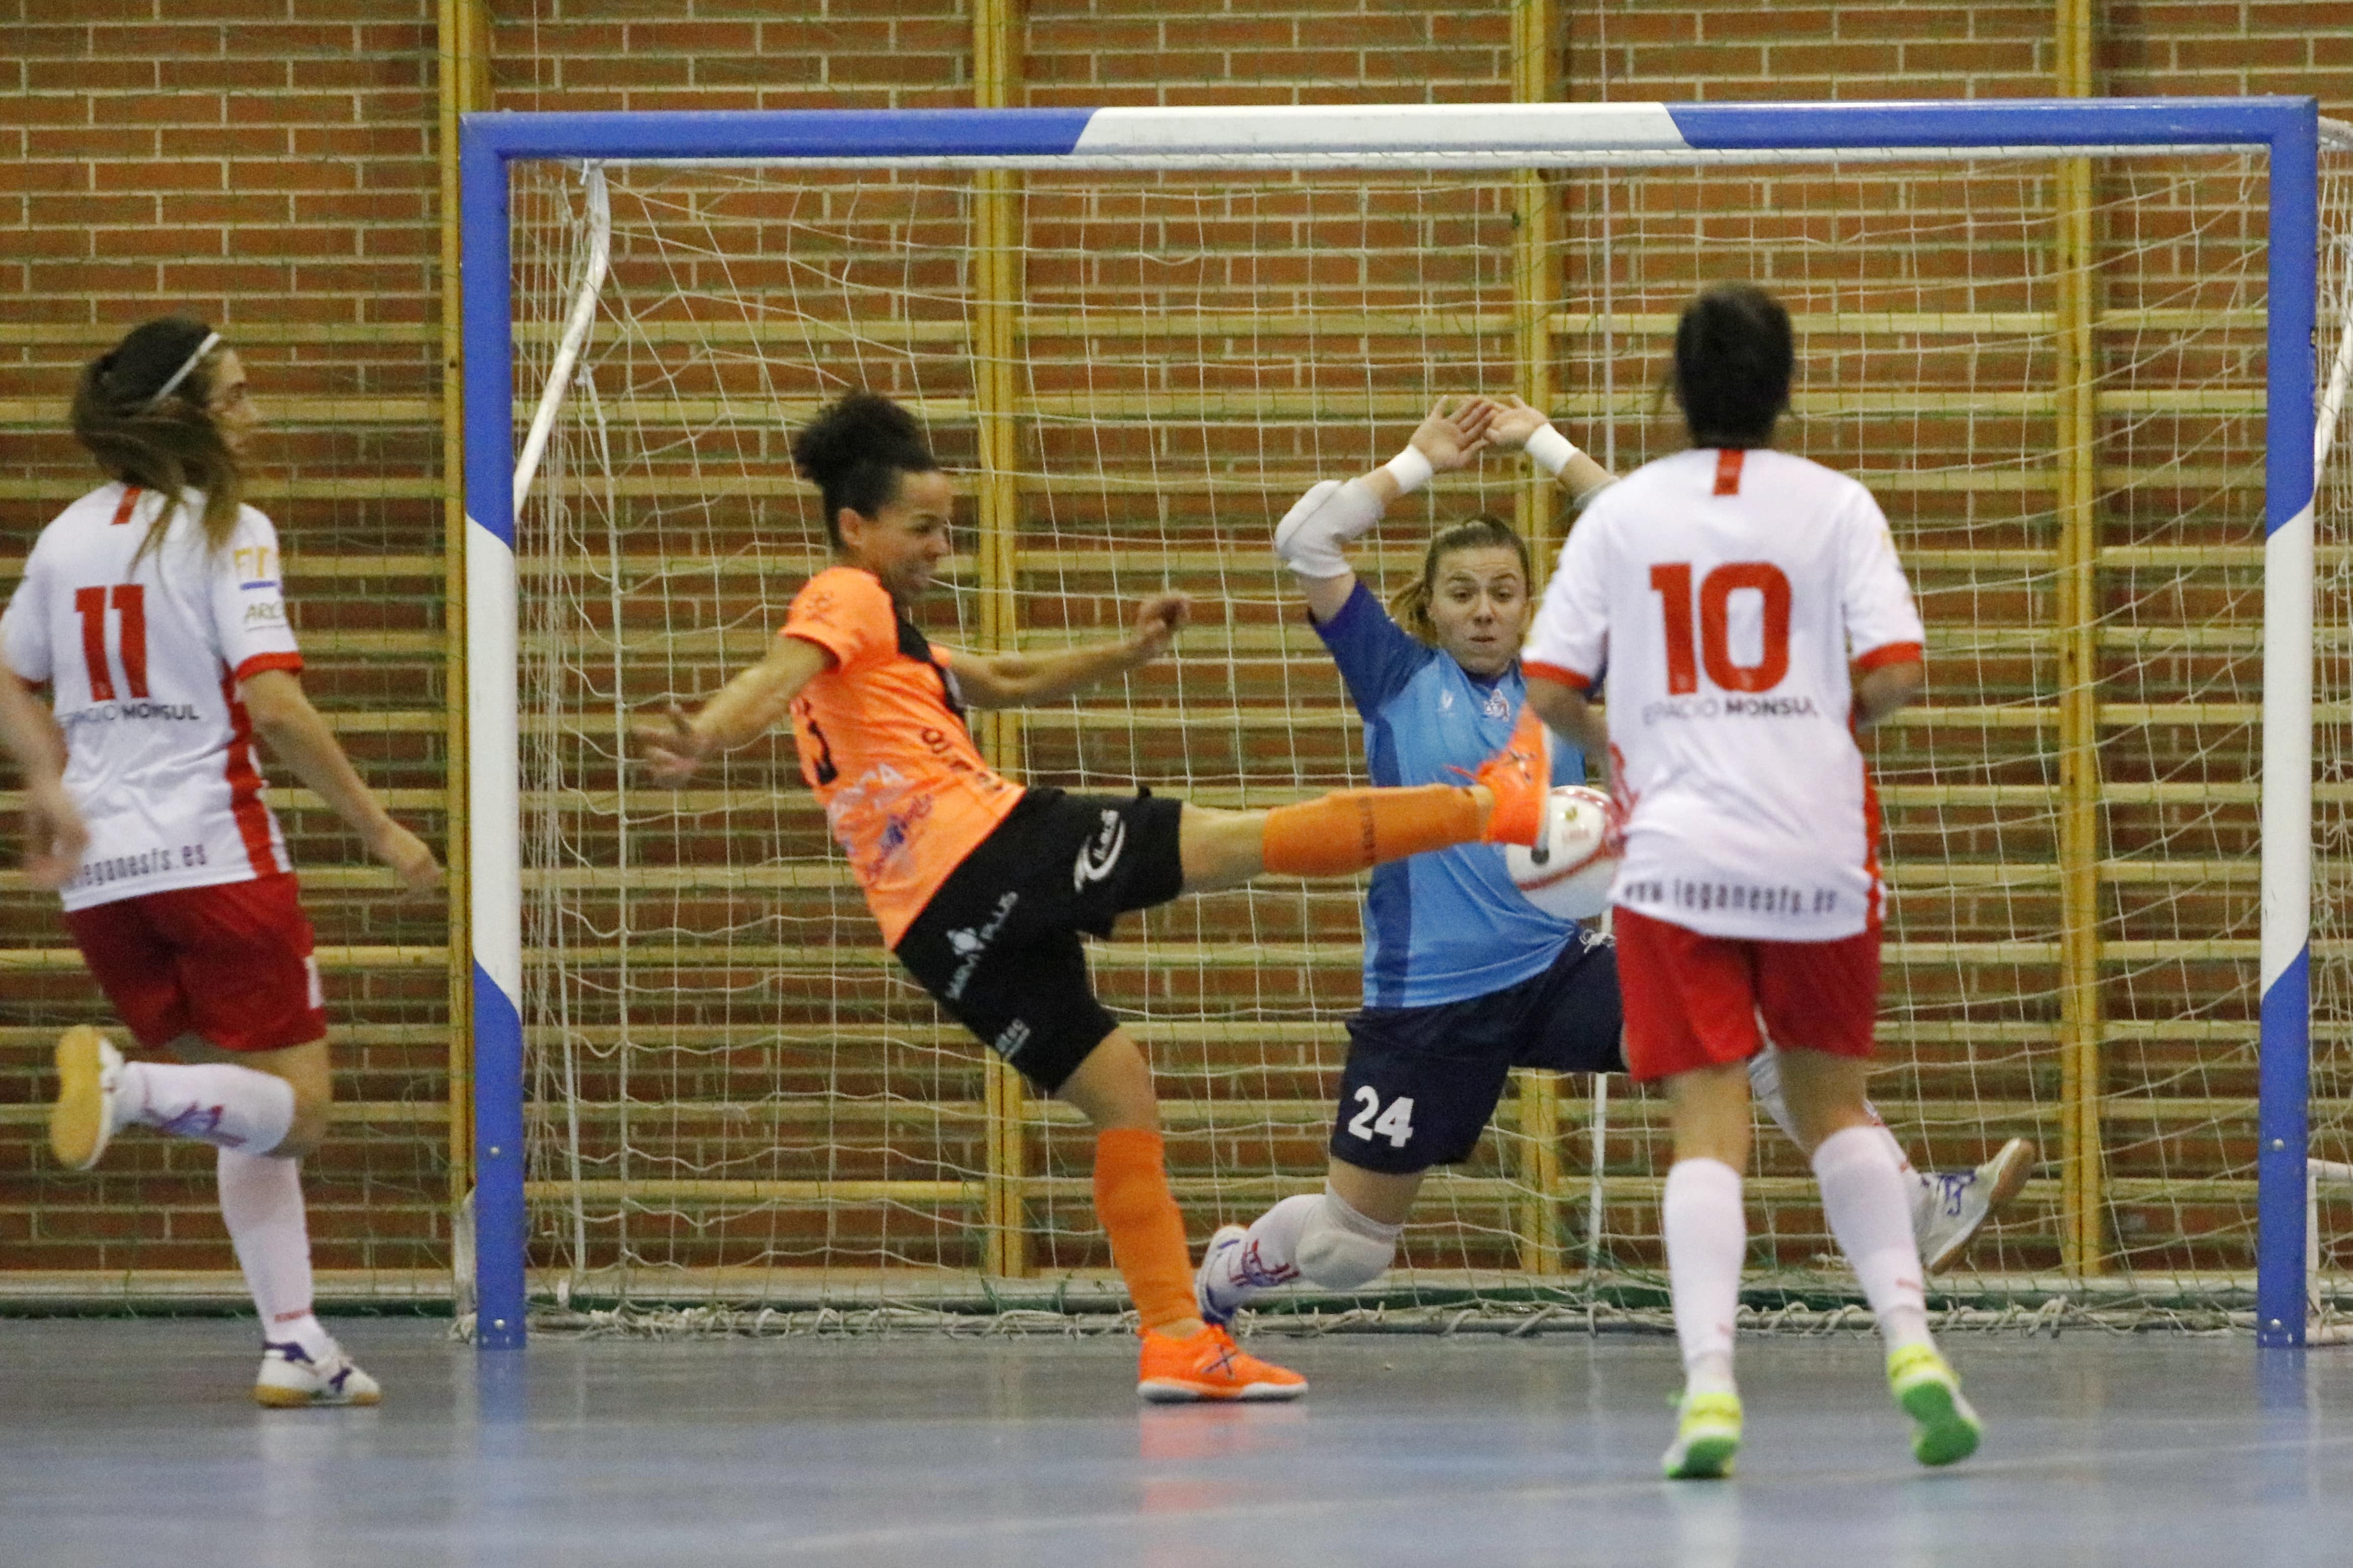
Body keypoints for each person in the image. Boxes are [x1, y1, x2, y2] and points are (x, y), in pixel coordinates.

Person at [635, 390, 1550, 1403]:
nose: (943, 546)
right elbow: (781, 668)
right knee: (1229, 841)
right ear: (857, 527)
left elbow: (1004, 676)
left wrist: (1121, 653)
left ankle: (1175, 1337)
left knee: (1121, 1096)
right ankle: (1486, 809)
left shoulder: (896, 649)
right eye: (925, 527)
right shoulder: (846, 596)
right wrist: (711, 733)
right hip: (989, 848)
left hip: (935, 929)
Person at [1193, 397, 2032, 1334]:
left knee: (1743, 1032)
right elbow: (1306, 539)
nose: (1482, 611)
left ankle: (1909, 1207)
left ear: (1529, 605)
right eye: (1462, 593)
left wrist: (1548, 447)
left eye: (1503, 592)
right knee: (1346, 1253)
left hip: (1556, 968)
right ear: (1430, 605)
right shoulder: (1392, 673)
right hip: (1426, 998)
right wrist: (1419, 461)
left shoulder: (1561, 686)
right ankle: (1227, 1275)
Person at [1519, 283, 1982, 1477]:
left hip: (1675, 854)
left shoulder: (1622, 519)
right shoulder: (1838, 507)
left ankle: (1711, 1389)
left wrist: (1634, 730)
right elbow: (1895, 677)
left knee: (1706, 1130)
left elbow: (1549, 685)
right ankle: (1912, 1347)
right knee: (1833, 1109)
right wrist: (1803, 715)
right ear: (1787, 389)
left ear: (1673, 392)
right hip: (1817, 842)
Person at [15, 317, 443, 1407]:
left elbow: (9, 675)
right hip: (213, 850)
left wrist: (49, 783)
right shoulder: (228, 531)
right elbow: (274, 701)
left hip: (106, 877)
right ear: (186, 422)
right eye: (239, 398)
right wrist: (379, 828)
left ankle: (293, 1339)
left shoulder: (67, 538)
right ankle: (126, 1087)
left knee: (243, 1105)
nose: (257, 420)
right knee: (297, 1110)